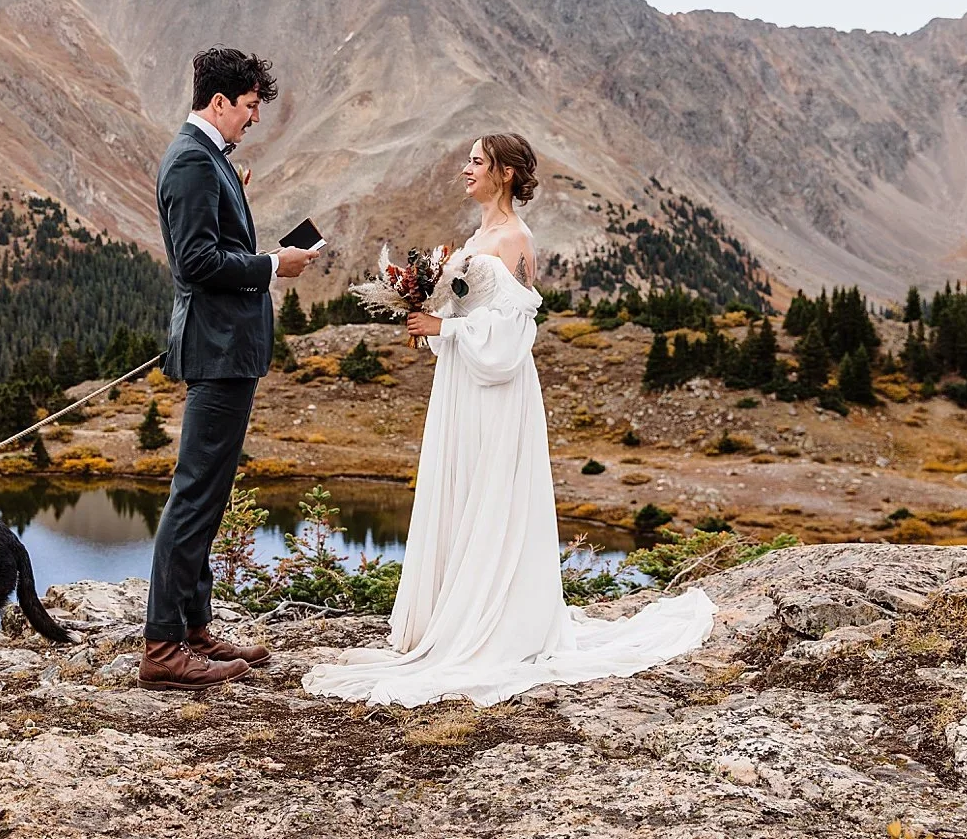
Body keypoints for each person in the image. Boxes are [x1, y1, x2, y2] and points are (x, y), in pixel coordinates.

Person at [302, 134, 714, 706]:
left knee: (493, 493)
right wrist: (429, 311)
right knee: (464, 489)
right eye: (468, 160)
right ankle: (454, 611)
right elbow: (474, 309)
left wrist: (444, 327)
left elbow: (515, 333)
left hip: (496, 392)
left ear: (506, 173)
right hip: (462, 385)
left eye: (476, 161)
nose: (465, 169)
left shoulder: (517, 239)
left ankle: (497, 624)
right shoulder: (477, 236)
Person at [140, 47, 320, 690]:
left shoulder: (210, 159)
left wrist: (233, 199)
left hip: (227, 348)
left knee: (209, 493)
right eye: (248, 106)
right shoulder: (193, 160)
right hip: (216, 349)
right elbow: (195, 264)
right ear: (218, 102)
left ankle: (193, 628)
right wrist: (274, 265)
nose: (254, 118)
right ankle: (163, 647)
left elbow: (212, 240)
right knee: (195, 493)